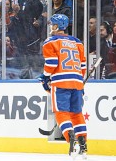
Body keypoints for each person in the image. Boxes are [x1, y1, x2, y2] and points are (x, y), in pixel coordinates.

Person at [38, 14, 87, 159]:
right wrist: (78, 79)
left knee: (61, 113)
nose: (50, 27)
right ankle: (83, 146)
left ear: (56, 26)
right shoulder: (78, 42)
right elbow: (83, 66)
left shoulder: (50, 41)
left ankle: (71, 140)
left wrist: (45, 76)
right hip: (77, 81)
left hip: (60, 82)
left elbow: (52, 63)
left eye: (51, 24)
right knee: (77, 114)